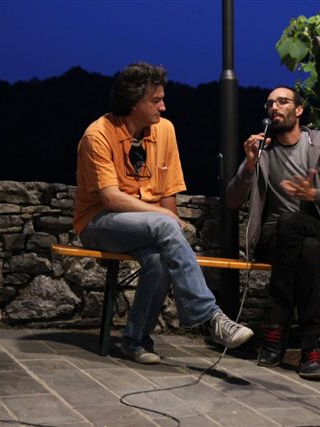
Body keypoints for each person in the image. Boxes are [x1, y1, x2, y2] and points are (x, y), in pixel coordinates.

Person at [73, 62, 253, 364]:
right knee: (164, 226)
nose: (163, 106)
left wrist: (171, 222)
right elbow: (110, 197)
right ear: (133, 102)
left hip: (145, 223)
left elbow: (168, 190)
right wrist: (164, 219)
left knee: (159, 260)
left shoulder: (165, 130)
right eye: (155, 100)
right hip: (98, 222)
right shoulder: (98, 134)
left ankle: (134, 340)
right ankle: (211, 317)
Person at [226, 86, 320, 380]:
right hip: (273, 236)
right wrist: (248, 167)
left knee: (295, 225)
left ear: (298, 110)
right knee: (306, 249)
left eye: (282, 101)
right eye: (270, 103)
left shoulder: (319, 143)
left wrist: (315, 194)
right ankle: (310, 347)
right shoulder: (263, 149)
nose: (274, 107)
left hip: (313, 226)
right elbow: (232, 200)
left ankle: (275, 328)